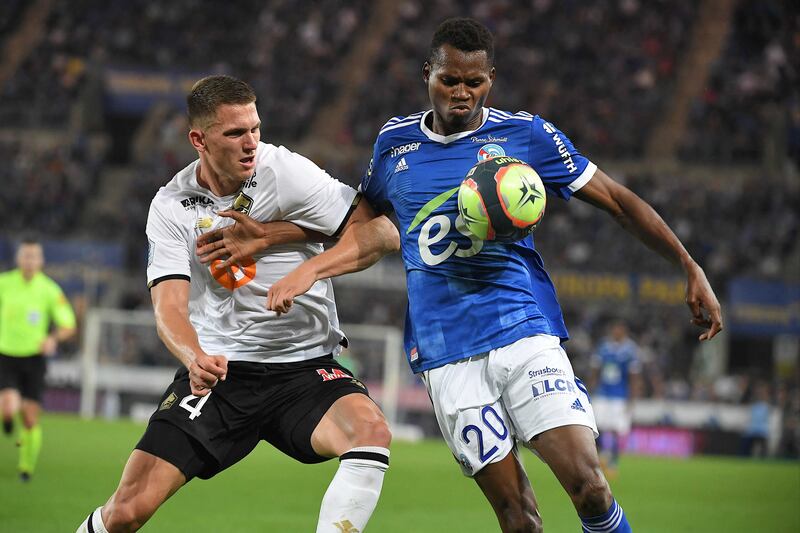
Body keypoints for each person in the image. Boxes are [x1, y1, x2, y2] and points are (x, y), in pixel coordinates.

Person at [208, 18, 723, 533]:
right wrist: (282, 240)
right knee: (518, 519)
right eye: (449, 80)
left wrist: (688, 264)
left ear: (491, 79)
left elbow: (616, 200)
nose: (461, 93)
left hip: (522, 329)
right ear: (426, 73)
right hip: (446, 353)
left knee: (590, 487)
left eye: (473, 82)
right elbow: (364, 228)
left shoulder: (527, 136)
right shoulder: (395, 145)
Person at [76, 75, 400, 533]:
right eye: (234, 133)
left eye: (255, 128)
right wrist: (194, 357)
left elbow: (381, 233)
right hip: (223, 372)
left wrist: (294, 257)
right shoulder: (171, 205)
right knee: (127, 511)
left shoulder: (286, 172)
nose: (251, 143)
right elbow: (168, 304)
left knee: (371, 434)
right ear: (198, 139)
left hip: (305, 368)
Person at [0, 238, 76, 481]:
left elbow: (68, 325)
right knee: (9, 406)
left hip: (34, 359)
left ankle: (25, 467)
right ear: (18, 258)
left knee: (30, 417)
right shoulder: (4, 284)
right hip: (6, 355)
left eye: (34, 256)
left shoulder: (49, 290)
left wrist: (53, 339)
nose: (30, 261)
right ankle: (7, 418)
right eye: (26, 256)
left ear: (41, 261)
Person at [590, 321, 642, 478]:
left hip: (619, 396)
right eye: (614, 329)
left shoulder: (630, 350)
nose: (616, 332)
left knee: (615, 430)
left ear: (624, 331)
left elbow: (634, 376)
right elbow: (595, 370)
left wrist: (632, 399)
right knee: (595, 427)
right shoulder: (604, 347)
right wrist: (590, 389)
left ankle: (613, 462)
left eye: (619, 329)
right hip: (602, 393)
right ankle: (600, 457)